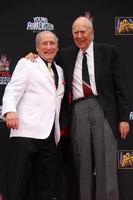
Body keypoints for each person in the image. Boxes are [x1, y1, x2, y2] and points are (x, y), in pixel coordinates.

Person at [25, 16, 130, 200]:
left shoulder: (109, 51)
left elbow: (120, 87)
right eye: (76, 32)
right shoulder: (65, 54)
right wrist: (31, 57)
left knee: (106, 163)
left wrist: (123, 118)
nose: (79, 35)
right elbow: (47, 57)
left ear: (92, 33)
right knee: (82, 165)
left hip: (103, 109)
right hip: (78, 111)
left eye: (83, 31)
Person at [2, 31, 64, 200]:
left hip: (50, 135)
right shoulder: (27, 63)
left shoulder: (59, 70)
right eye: (45, 43)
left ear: (57, 48)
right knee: (18, 184)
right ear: (37, 47)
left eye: (52, 43)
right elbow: (12, 90)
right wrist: (10, 111)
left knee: (44, 186)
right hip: (25, 133)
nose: (49, 47)